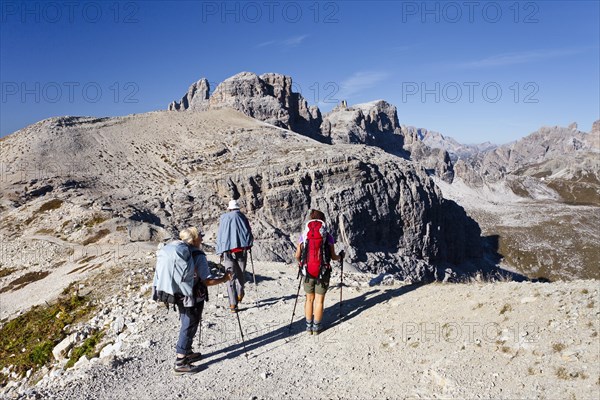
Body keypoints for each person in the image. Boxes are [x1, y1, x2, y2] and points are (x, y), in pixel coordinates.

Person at [153, 227, 230, 374]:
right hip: (193, 295)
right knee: (189, 325)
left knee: (185, 321)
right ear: (194, 239)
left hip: (178, 294)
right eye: (200, 236)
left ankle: (187, 352)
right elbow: (207, 281)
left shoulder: (179, 251)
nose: (202, 238)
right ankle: (180, 361)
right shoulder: (198, 255)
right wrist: (224, 278)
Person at [294, 209, 344, 335]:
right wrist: (340, 256)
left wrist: (302, 263)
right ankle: (317, 327)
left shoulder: (304, 236)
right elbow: (333, 257)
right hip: (323, 272)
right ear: (323, 221)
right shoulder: (328, 236)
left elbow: (297, 255)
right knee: (319, 300)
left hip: (307, 271)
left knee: (309, 299)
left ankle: (308, 326)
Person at [216, 199, 254, 313]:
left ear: (229, 208)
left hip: (227, 251)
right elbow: (248, 232)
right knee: (240, 273)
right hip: (241, 251)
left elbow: (220, 234)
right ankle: (240, 291)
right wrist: (249, 245)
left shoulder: (224, 218)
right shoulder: (242, 217)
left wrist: (220, 249)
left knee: (229, 276)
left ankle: (233, 304)